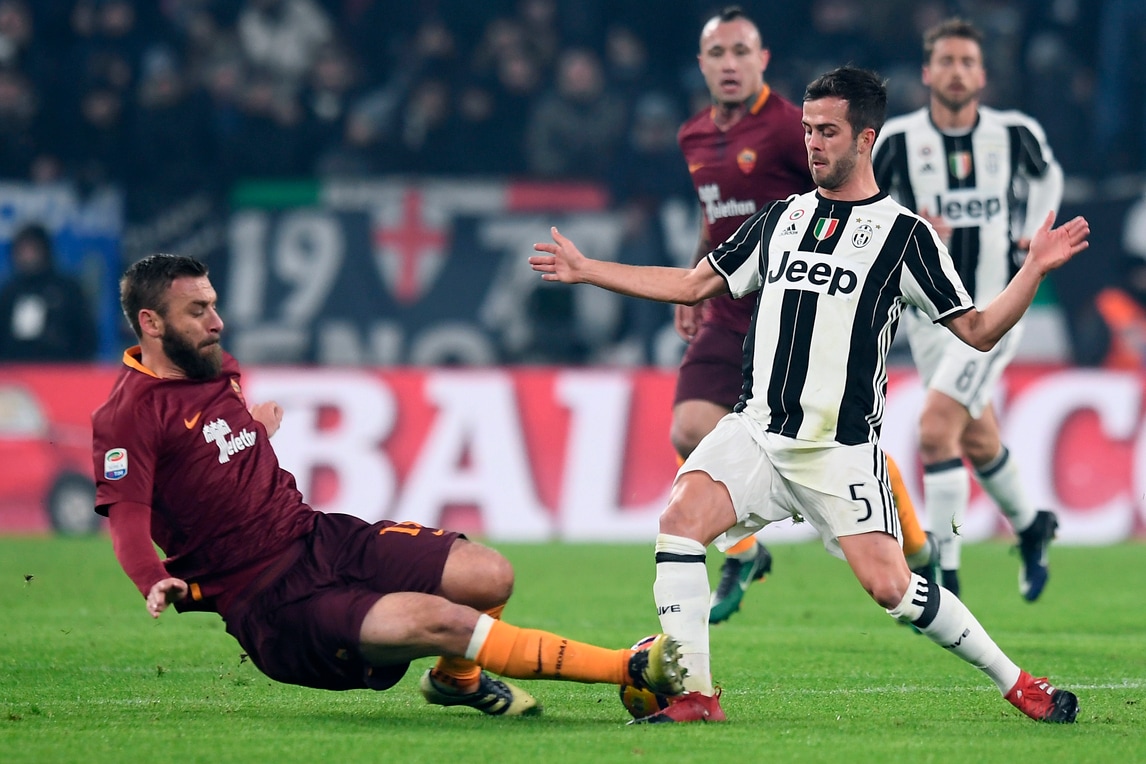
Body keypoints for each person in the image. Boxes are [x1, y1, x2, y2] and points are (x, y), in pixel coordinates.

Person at [530, 65, 1087, 725]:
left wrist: (1032, 269)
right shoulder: (782, 218)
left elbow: (979, 330)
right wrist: (588, 269)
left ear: (866, 139)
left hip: (838, 451)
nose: (813, 144)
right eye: (807, 129)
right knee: (679, 523)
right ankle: (697, 696)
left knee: (892, 587)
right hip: (758, 432)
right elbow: (692, 285)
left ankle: (1018, 682)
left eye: (828, 131)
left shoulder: (906, 236)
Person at [91, 253, 685, 718]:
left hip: (320, 538)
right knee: (444, 620)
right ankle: (630, 668)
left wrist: (255, 428)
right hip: (271, 600)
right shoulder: (128, 416)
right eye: (197, 311)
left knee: (488, 575)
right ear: (151, 322)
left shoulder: (218, 366)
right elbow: (127, 520)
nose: (216, 322)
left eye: (214, 305)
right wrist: (151, 577)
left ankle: (457, 681)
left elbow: (213, 450)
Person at [673, 6, 933, 624]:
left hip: (797, 303)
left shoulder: (794, 126)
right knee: (687, 429)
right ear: (702, 64)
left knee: (830, 434)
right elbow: (713, 213)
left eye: (741, 51)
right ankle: (744, 553)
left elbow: (857, 180)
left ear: (762, 60)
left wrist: (907, 226)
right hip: (727, 301)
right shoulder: (692, 136)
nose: (730, 64)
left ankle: (919, 546)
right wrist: (694, 283)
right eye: (718, 53)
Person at [872, 18, 1065, 601]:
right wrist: (908, 225)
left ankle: (945, 572)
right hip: (928, 314)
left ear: (982, 75)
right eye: (946, 61)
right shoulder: (897, 141)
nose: (956, 71)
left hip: (996, 310)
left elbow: (1048, 176)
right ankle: (1032, 526)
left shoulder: (1014, 134)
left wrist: (1035, 231)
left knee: (935, 428)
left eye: (967, 62)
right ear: (927, 73)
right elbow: (866, 205)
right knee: (975, 437)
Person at [0, 222, 98, 362]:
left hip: (59, 368)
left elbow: (85, 336)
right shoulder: (9, 293)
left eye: (32, 250)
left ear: (45, 250)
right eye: (22, 251)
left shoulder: (67, 290)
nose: (27, 256)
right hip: (15, 369)